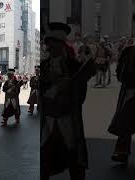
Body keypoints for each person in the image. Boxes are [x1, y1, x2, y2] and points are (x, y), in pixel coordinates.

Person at [41, 22, 96, 180]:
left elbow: (81, 96)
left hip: (68, 120)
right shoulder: (43, 66)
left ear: (61, 44)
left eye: (53, 44)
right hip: (47, 121)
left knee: (74, 158)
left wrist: (70, 89)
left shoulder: (75, 67)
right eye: (48, 44)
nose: (49, 48)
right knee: (44, 158)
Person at [108, 12, 135, 165]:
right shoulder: (127, 51)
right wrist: (126, 76)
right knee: (125, 120)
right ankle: (122, 151)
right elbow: (119, 71)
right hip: (130, 91)